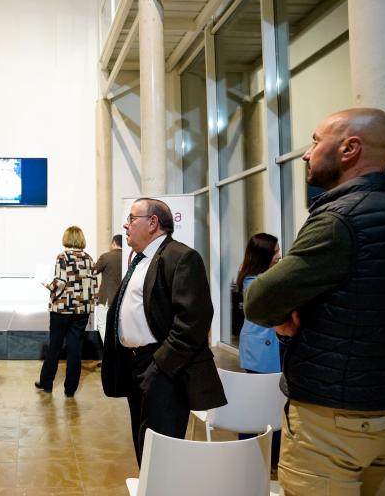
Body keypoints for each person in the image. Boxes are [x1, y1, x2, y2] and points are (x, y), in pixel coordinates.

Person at [245, 108, 385, 495]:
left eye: (315, 140)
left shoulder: (338, 220)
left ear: (349, 149)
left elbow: (258, 300)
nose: (307, 154)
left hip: (334, 418)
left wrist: (285, 322)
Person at [102, 197, 226, 465]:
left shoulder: (181, 257)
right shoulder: (141, 259)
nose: (126, 225)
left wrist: (160, 365)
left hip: (163, 367)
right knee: (143, 444)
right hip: (136, 364)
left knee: (162, 451)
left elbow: (194, 320)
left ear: (153, 223)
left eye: (132, 218)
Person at [35, 226, 97, 397]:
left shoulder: (63, 257)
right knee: (75, 348)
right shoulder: (89, 259)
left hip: (62, 309)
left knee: (55, 345)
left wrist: (45, 282)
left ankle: (46, 383)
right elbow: (93, 286)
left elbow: (60, 283)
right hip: (82, 310)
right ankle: (70, 389)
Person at [236, 233, 281, 374]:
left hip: (264, 346)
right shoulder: (254, 283)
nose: (279, 256)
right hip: (259, 349)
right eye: (275, 252)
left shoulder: (263, 278)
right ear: (263, 256)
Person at [93, 234, 122, 345]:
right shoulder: (129, 257)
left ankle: (110, 353)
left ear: (114, 243)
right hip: (121, 298)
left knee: (102, 324)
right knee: (118, 327)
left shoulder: (106, 256)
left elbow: (93, 271)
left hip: (107, 298)